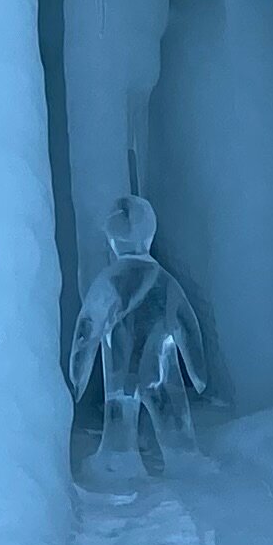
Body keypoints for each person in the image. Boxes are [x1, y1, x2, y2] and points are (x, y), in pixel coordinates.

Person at [65, 191, 206, 492]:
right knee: (173, 420)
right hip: (162, 371)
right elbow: (187, 326)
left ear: (113, 238)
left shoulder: (109, 281)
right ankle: (184, 457)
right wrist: (198, 373)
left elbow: (87, 329)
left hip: (122, 375)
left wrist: (79, 373)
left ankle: (119, 460)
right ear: (149, 234)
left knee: (120, 422)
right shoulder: (165, 281)